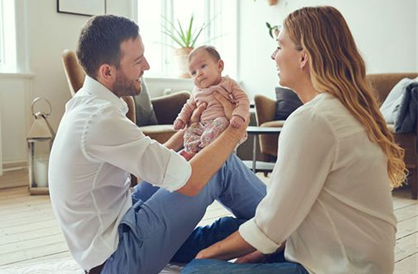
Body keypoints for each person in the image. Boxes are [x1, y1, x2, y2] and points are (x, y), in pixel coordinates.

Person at [181, 5, 407, 274]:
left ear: (304, 58)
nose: (273, 55)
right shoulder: (344, 110)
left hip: (338, 267)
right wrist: (254, 249)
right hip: (332, 249)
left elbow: (271, 224)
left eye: (279, 46)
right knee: (223, 229)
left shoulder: (313, 120)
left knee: (196, 271)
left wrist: (206, 258)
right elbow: (293, 213)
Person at [48, 15, 266, 274]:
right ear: (107, 71)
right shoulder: (100, 118)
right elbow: (192, 181)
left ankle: (266, 229)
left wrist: (187, 131)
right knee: (218, 163)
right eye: (138, 61)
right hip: (119, 258)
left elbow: (151, 159)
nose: (147, 66)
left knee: (201, 167)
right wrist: (233, 130)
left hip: (121, 223)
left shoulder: (86, 105)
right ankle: (282, 225)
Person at [174, 46, 249, 160]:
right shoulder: (196, 91)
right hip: (202, 125)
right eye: (193, 73)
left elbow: (243, 99)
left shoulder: (228, 83)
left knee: (221, 122)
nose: (198, 74)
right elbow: (188, 106)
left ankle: (205, 150)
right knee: (189, 131)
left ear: (219, 66)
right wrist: (181, 119)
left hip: (221, 122)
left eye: (203, 66)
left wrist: (238, 115)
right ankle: (192, 151)